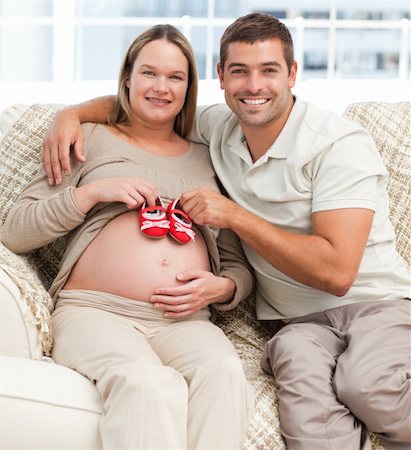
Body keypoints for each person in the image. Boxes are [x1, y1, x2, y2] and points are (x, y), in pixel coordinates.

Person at [40, 13, 410, 450]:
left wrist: (234, 216)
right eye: (239, 71)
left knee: (366, 386)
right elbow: (151, 101)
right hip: (294, 324)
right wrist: (71, 115)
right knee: (312, 432)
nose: (254, 86)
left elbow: (337, 273)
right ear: (220, 77)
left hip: (374, 305)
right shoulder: (219, 128)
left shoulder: (337, 144)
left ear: (292, 74)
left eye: (269, 70)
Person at [1, 24, 256, 450]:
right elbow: (15, 230)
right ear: (127, 79)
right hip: (97, 312)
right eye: (149, 73)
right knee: (146, 383)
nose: (161, 86)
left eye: (175, 77)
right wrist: (90, 193)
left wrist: (223, 287)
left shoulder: (208, 157)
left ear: (189, 87)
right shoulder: (90, 140)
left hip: (184, 321)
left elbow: (237, 266)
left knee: (226, 373)